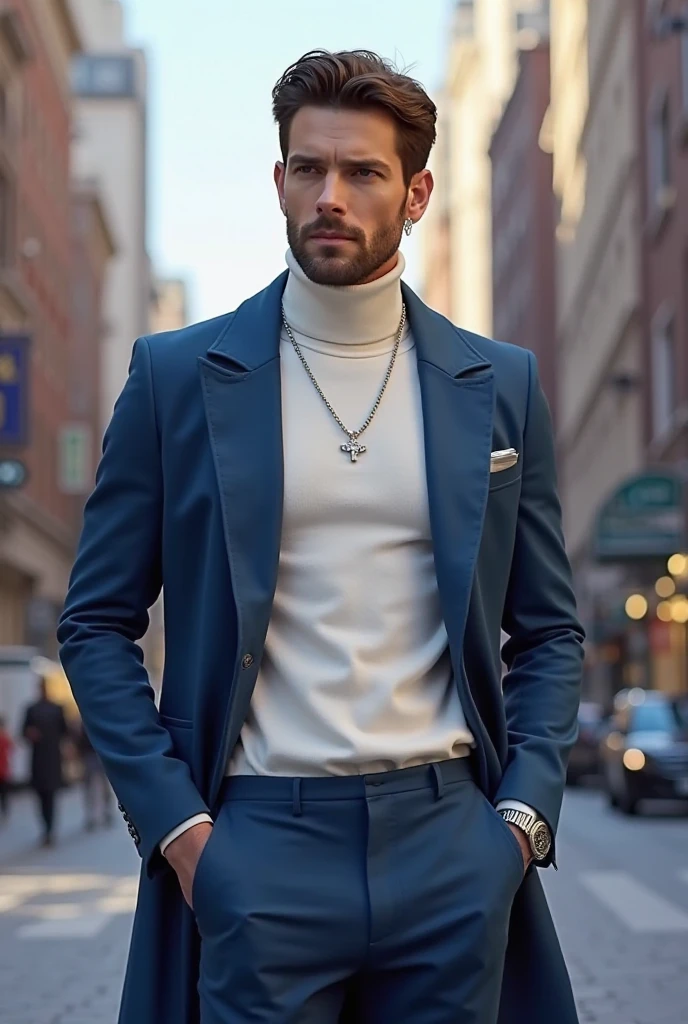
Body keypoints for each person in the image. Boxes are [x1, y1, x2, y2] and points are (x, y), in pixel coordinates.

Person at [58, 50, 584, 1024]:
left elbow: (548, 629)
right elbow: (94, 622)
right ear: (279, 181)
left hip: (448, 842)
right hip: (257, 841)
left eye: (363, 172)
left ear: (417, 193)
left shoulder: (499, 383)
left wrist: (517, 821)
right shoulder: (176, 378)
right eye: (309, 168)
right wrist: (183, 833)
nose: (329, 196)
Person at [21, 677, 67, 846]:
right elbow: (23, 731)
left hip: (52, 759)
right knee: (40, 796)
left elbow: (64, 732)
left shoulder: (57, 709)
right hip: (38, 759)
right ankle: (46, 828)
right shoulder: (31, 710)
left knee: (51, 796)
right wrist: (30, 734)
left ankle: (50, 830)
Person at [72, 718, 114, 830]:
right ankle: (94, 814)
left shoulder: (95, 719)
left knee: (101, 787)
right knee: (91, 787)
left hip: (98, 755)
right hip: (91, 755)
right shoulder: (86, 721)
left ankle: (105, 812)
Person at [0, 715, 14, 822]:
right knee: (4, 795)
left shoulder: (5, 737)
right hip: (4, 770)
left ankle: (5, 813)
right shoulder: (5, 737)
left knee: (4, 795)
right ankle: (5, 813)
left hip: (3, 770)